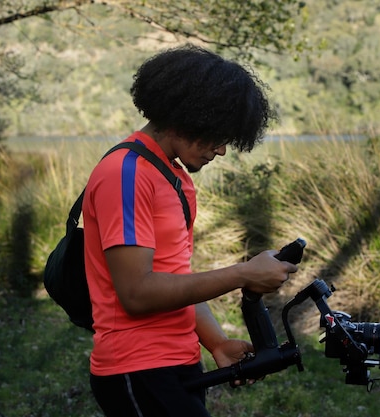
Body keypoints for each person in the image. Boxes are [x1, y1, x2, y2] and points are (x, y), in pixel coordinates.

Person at [82, 44, 298, 417]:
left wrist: (215, 343)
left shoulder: (175, 177)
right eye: (217, 136)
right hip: (137, 368)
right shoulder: (125, 174)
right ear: (186, 115)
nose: (222, 150)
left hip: (177, 363)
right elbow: (136, 293)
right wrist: (242, 273)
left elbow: (174, 276)